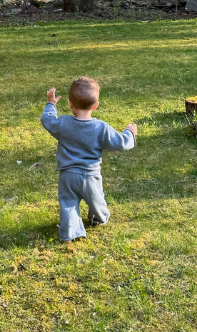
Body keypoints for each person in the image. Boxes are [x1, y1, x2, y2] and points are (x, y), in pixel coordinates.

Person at [41, 76, 137, 241]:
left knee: (68, 204)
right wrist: (130, 132)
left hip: (67, 175)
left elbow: (48, 121)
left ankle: (71, 233)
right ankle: (98, 218)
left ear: (70, 104)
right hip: (90, 175)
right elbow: (120, 143)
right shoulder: (101, 128)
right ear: (96, 106)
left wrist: (51, 104)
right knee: (96, 199)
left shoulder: (63, 123)